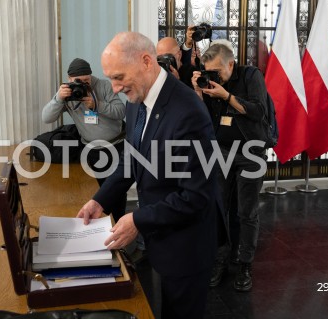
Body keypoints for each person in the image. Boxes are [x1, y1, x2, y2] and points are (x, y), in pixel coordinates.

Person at [77, 31, 222, 319]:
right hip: (163, 239)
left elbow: (196, 197)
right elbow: (131, 159)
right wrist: (100, 201)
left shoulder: (187, 111)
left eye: (119, 77)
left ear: (146, 61)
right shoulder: (135, 103)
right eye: (111, 79)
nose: (115, 88)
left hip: (186, 246)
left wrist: (138, 220)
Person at [191, 39, 267, 292]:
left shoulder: (250, 75)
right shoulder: (210, 84)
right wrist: (199, 93)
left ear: (231, 64)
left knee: (247, 212)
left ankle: (245, 264)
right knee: (219, 209)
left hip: (250, 151)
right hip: (221, 151)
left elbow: (258, 111)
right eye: (209, 72)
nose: (215, 77)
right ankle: (220, 260)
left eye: (218, 72)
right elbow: (201, 119)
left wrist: (227, 96)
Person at [42, 58, 127, 222]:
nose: (83, 84)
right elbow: (46, 117)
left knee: (116, 192)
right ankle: (99, 231)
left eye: (87, 80)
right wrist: (58, 99)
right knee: (94, 194)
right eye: (78, 81)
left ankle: (119, 227)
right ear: (69, 79)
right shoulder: (67, 92)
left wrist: (97, 105)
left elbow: (121, 111)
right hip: (91, 150)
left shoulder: (104, 86)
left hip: (115, 147)